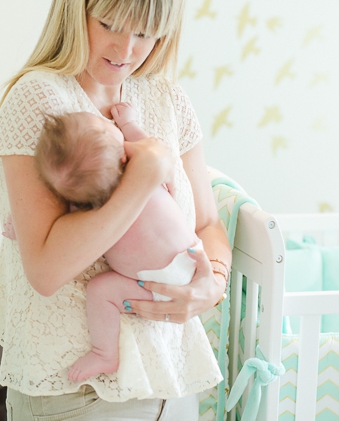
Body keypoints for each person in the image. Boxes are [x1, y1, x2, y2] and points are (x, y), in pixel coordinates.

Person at [0, 0, 231, 421]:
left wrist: (213, 284)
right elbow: (47, 270)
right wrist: (141, 179)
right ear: (79, 6)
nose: (126, 50)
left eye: (145, 32)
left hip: (167, 380)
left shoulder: (165, 100)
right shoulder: (40, 101)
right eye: (110, 24)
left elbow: (206, 221)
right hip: (77, 393)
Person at [28, 103, 208, 383]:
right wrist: (128, 123)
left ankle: (104, 352)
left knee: (100, 291)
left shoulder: (86, 214)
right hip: (191, 261)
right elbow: (150, 146)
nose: (106, 123)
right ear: (122, 158)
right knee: (101, 288)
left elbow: (61, 237)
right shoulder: (140, 167)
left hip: (155, 284)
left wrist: (21, 227)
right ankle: (105, 354)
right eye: (102, 128)